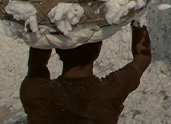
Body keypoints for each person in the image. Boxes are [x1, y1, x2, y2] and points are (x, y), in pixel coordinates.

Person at [20, 23, 152, 123]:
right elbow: (142, 56)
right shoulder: (110, 92)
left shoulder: (33, 92)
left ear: (57, 49)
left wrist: (42, 26)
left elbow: (37, 63)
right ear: (98, 51)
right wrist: (137, 19)